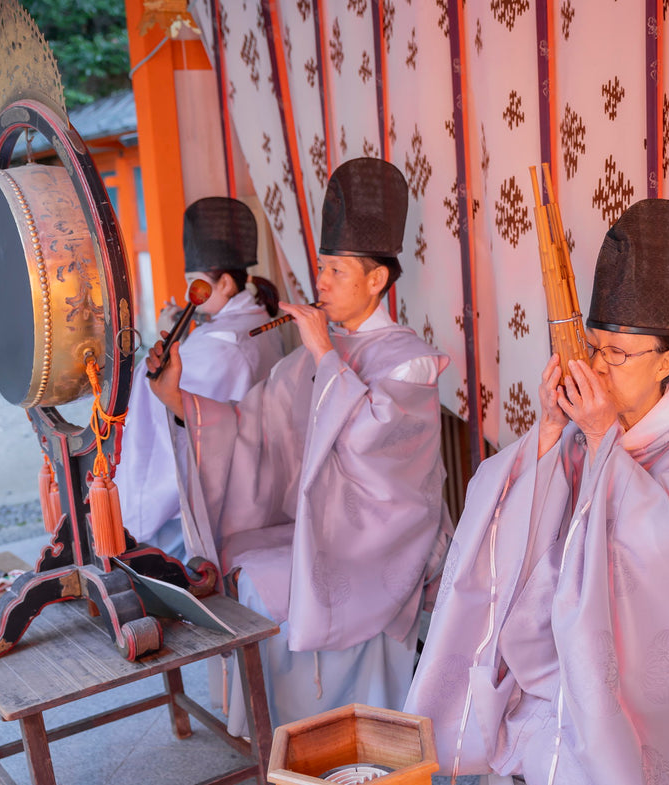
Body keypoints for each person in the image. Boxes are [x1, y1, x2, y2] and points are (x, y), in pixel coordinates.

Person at [405, 199, 669, 785]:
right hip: (547, 662)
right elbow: (508, 535)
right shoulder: (579, 433)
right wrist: (548, 433)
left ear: (667, 361)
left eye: (618, 355)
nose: (596, 368)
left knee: (581, 750)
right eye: (591, 348)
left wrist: (601, 441)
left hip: (631, 695)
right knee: (513, 712)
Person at [146, 157, 453, 734]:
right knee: (238, 554)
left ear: (377, 280)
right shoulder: (318, 349)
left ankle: (321, 732)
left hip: (377, 541)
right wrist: (178, 400)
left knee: (269, 580)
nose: (322, 284)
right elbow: (252, 424)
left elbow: (379, 456)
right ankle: (279, 731)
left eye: (337, 271)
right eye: (321, 269)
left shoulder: (408, 359)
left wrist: (325, 356)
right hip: (325, 525)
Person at [116, 197, 285, 560]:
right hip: (262, 475)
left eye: (196, 284)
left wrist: (167, 343)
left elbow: (164, 399)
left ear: (225, 283)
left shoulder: (221, 343)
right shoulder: (260, 319)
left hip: (222, 488)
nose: (190, 292)